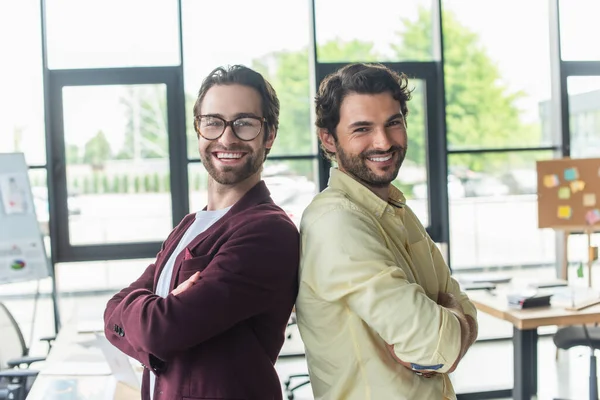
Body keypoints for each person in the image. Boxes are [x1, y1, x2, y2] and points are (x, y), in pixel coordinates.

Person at [104, 65, 300, 400]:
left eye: (244, 123)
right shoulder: (188, 226)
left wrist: (145, 316)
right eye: (213, 122)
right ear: (199, 130)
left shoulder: (269, 232)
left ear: (269, 135)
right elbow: (112, 314)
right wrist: (148, 314)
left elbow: (160, 331)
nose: (226, 137)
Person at [295, 63, 478, 400]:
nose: (383, 141)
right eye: (362, 129)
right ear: (328, 139)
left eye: (393, 123)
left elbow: (465, 310)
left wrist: (454, 322)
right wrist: (451, 323)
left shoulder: (396, 209)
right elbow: (437, 344)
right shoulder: (336, 222)